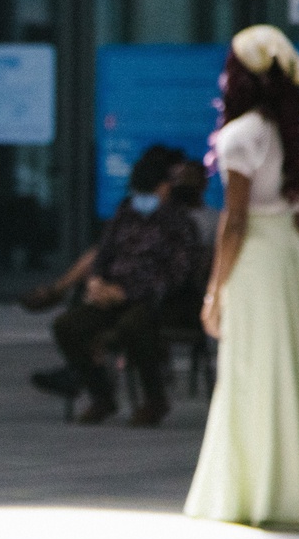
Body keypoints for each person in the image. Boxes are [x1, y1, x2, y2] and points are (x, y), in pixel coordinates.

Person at [184, 26, 299, 527]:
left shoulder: (238, 135)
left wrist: (214, 290)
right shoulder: (294, 135)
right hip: (286, 255)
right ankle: (285, 495)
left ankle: (244, 494)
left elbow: (236, 219)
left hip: (255, 261)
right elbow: (296, 210)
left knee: (247, 373)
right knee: (285, 373)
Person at [22, 146, 201, 426]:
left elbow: (175, 275)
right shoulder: (126, 213)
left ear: (165, 189)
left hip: (152, 302)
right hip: (110, 295)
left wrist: (126, 293)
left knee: (133, 325)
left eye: (150, 193)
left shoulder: (179, 224)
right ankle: (101, 396)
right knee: (67, 325)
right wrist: (96, 282)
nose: (143, 200)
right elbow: (104, 252)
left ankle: (154, 400)